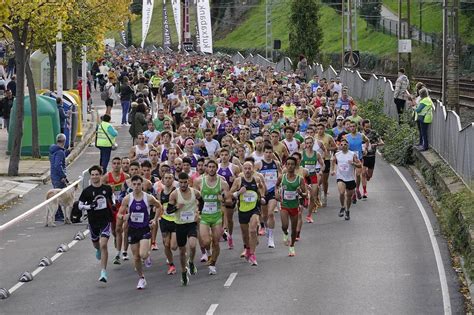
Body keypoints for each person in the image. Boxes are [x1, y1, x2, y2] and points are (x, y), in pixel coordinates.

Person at [118, 175, 162, 289]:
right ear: (131, 185)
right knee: (136, 257)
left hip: (144, 229)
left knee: (142, 254)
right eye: (134, 184)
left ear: (142, 185)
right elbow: (119, 214)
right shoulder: (127, 198)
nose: (137, 187)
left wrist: (155, 219)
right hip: (133, 230)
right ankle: (141, 278)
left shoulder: (148, 198)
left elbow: (159, 206)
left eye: (139, 184)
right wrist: (124, 217)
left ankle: (147, 256)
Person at [78, 165, 114, 283]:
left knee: (104, 244)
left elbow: (112, 198)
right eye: (92, 175)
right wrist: (89, 206)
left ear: (100, 175)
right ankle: (97, 249)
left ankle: (103, 272)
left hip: (105, 220)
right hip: (93, 221)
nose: (94, 177)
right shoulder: (87, 191)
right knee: (97, 245)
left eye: (96, 174)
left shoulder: (107, 188)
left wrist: (114, 204)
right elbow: (79, 205)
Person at [194, 159, 230, 275]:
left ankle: (213, 264)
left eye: (213, 167)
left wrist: (223, 199)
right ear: (206, 168)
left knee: (215, 242)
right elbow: (194, 198)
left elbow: (229, 200)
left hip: (216, 216)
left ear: (216, 168)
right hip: (204, 215)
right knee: (205, 241)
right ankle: (209, 254)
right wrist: (195, 210)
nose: (211, 169)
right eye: (209, 167)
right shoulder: (199, 181)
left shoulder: (223, 183)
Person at [167, 172, 201, 286]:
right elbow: (168, 210)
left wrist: (198, 212)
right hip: (180, 224)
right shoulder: (174, 194)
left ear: (188, 181)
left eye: (185, 182)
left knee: (192, 245)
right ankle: (183, 271)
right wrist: (177, 207)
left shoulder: (194, 192)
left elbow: (202, 201)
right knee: (182, 251)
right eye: (180, 182)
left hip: (191, 223)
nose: (182, 185)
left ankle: (191, 262)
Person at [230, 161, 266, 266]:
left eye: (249, 168)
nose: (247, 170)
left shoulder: (257, 179)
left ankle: (253, 255)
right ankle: (248, 247)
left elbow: (262, 189)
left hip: (254, 209)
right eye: (245, 168)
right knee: (246, 235)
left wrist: (262, 197)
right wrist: (238, 193)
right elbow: (230, 195)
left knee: (253, 230)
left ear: (253, 169)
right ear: (242, 170)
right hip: (242, 210)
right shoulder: (238, 181)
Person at [278, 156, 308, 257]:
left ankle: (292, 246)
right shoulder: (282, 177)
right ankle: (285, 233)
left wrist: (301, 193)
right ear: (285, 165)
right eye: (288, 164)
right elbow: (276, 185)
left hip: (295, 206)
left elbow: (305, 194)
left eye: (292, 164)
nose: (290, 166)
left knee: (294, 229)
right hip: (284, 205)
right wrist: (276, 193)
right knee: (284, 225)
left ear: (295, 166)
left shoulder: (300, 179)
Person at [102, 157, 129, 265]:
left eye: (118, 163)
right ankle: (116, 239)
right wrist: (108, 189)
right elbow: (101, 191)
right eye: (115, 163)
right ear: (111, 165)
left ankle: (120, 253)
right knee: (114, 230)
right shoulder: (106, 177)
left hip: (122, 206)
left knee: (121, 229)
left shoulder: (126, 177)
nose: (117, 165)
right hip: (111, 206)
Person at [255, 144, 282, 248]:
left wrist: (278, 187)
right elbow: (255, 177)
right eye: (266, 152)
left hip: (273, 191)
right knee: (264, 215)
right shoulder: (259, 164)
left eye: (270, 152)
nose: (268, 154)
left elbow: (280, 175)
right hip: (263, 192)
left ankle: (271, 237)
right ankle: (266, 227)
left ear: (272, 153)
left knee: (271, 213)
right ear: (263, 153)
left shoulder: (276, 163)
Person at [331, 138, 362, 220]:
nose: (343, 146)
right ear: (340, 146)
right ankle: (342, 207)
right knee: (341, 193)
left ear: (348, 145)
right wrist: (333, 170)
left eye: (345, 144)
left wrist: (353, 163)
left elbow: (360, 165)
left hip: (350, 178)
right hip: (340, 177)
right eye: (342, 144)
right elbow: (333, 161)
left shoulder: (352, 155)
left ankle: (347, 210)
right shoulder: (337, 154)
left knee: (348, 197)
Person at [156, 172, 178, 275]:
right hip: (164, 220)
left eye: (170, 178)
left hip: (175, 220)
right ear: (163, 180)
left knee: (173, 246)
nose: (168, 180)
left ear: (173, 179)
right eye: (166, 178)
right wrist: (156, 217)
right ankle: (171, 265)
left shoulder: (176, 192)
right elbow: (159, 205)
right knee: (166, 244)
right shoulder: (160, 192)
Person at [361, 119, 384, 198]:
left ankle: (368, 174)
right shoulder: (360, 134)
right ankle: (364, 191)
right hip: (363, 156)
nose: (368, 128)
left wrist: (375, 144)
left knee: (369, 176)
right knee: (363, 173)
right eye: (366, 127)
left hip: (372, 156)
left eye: (369, 126)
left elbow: (382, 142)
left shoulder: (374, 133)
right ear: (363, 126)